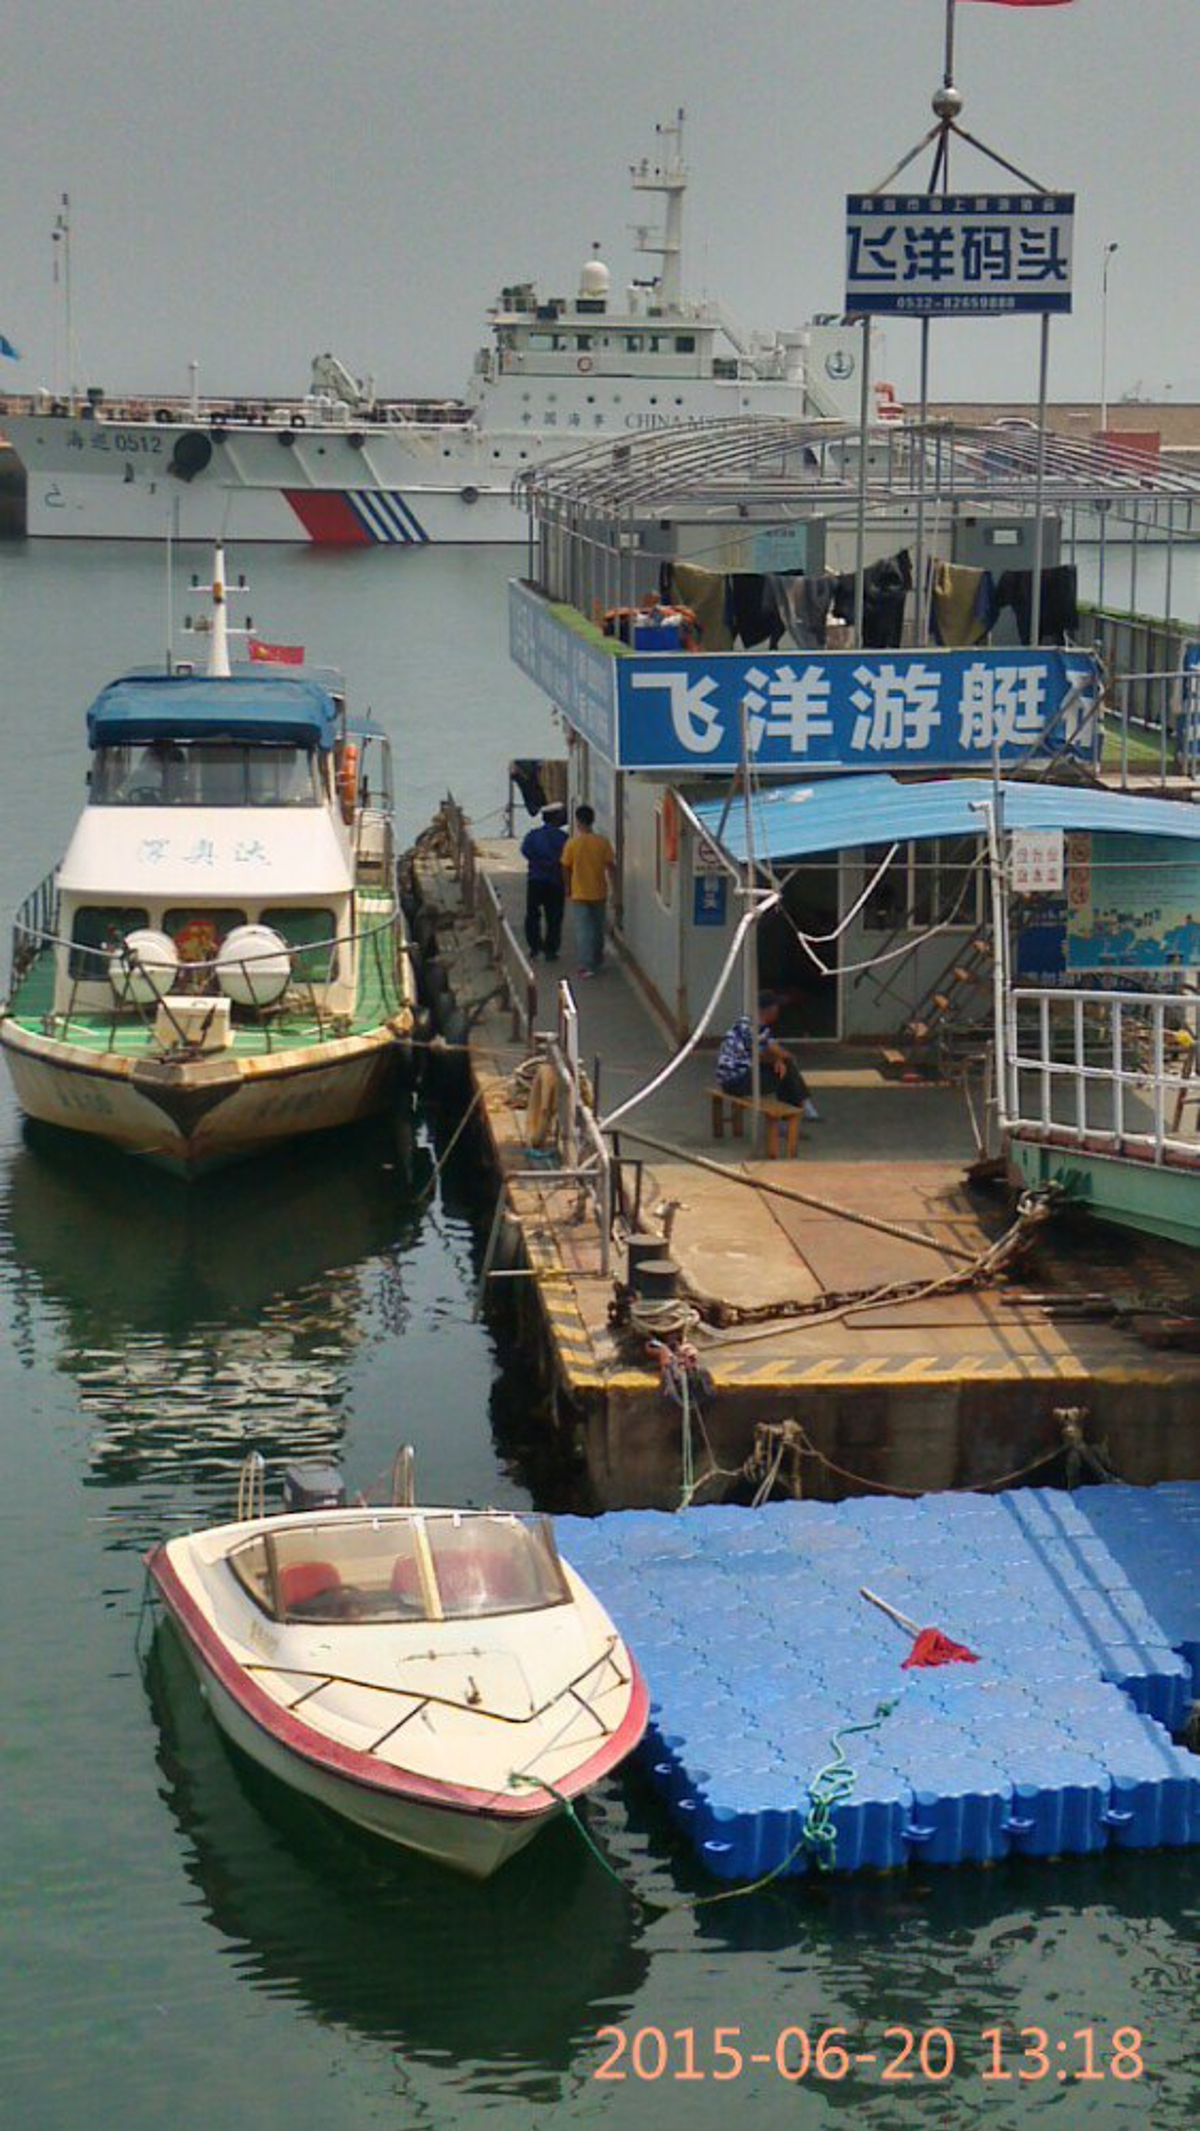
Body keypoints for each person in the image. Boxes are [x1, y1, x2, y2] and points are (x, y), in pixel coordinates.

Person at [716, 991, 819, 1119]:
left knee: (785, 1068)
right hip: (736, 1081)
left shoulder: (748, 1022)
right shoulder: (754, 1027)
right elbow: (762, 1054)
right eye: (777, 1007)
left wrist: (781, 1058)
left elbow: (774, 1048)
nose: (779, 1010)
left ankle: (801, 1109)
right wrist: (780, 1060)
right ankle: (791, 1118)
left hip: (730, 1077)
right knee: (785, 1075)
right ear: (770, 1009)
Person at [560, 803, 615, 977]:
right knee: (598, 928)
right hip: (599, 891)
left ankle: (586, 965)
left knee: (584, 929)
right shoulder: (602, 842)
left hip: (580, 892)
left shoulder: (573, 844)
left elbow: (565, 867)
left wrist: (567, 886)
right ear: (592, 820)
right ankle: (597, 958)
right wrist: (616, 890)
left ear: (577, 822)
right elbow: (611, 866)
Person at [519, 803, 568, 960]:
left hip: (535, 879)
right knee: (554, 916)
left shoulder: (533, 835)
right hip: (555, 881)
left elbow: (525, 851)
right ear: (556, 818)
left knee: (532, 914)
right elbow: (567, 858)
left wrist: (538, 862)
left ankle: (534, 947)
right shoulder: (563, 837)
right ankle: (551, 950)